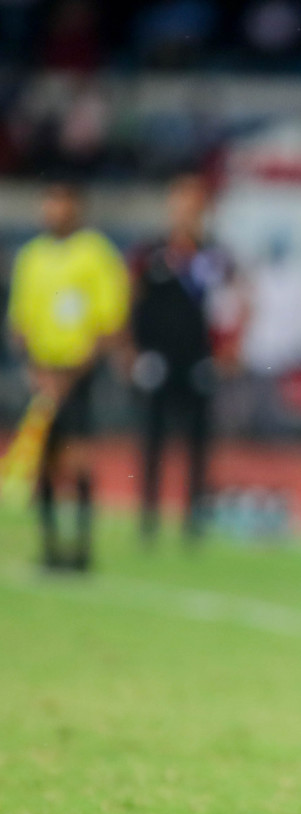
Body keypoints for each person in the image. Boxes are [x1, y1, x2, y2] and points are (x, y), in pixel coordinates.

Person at [6, 178, 128, 571]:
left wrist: (72, 375)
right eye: (50, 202)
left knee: (78, 461)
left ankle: (82, 549)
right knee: (44, 461)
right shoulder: (31, 257)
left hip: (79, 373)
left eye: (62, 202)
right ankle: (50, 545)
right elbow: (20, 323)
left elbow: (108, 321)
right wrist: (37, 372)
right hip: (43, 373)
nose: (54, 210)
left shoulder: (95, 254)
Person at [129, 172, 241, 544]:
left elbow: (238, 305)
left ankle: (194, 520)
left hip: (199, 362)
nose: (185, 214)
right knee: (153, 442)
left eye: (193, 207)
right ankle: (149, 518)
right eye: (180, 205)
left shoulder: (216, 257)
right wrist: (132, 356)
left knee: (198, 444)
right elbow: (127, 303)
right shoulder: (151, 254)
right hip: (158, 360)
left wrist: (225, 357)